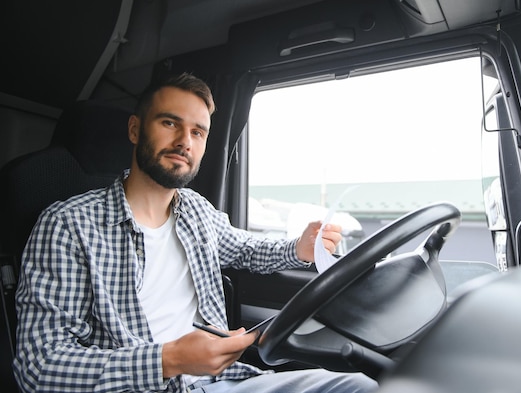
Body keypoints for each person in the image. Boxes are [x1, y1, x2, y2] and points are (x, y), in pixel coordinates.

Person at [12, 73, 378, 393]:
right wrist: (168, 360)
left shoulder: (196, 210)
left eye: (197, 131)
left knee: (359, 386)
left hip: (221, 382)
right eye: (170, 123)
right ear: (135, 129)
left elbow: (245, 248)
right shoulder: (68, 225)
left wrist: (298, 247)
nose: (185, 140)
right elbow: (38, 367)